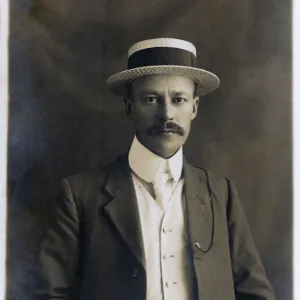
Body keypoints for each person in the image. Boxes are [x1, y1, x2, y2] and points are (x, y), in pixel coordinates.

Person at [30, 38, 275, 300]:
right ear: (129, 107)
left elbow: (255, 293)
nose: (167, 114)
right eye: (150, 99)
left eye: (179, 99)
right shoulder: (80, 196)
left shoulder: (221, 193)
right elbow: (48, 294)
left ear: (194, 107)